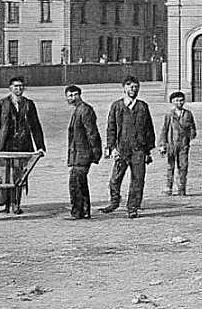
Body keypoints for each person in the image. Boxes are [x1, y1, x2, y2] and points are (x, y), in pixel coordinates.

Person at [101, 76, 155, 218]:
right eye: (130, 86)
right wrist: (111, 147)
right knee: (115, 179)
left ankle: (133, 207)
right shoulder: (116, 106)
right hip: (121, 149)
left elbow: (149, 129)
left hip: (138, 150)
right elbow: (111, 128)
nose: (133, 89)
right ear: (124, 88)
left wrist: (148, 151)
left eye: (136, 87)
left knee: (138, 180)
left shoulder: (143, 107)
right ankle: (114, 202)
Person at [0, 76, 46, 215]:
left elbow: (35, 126)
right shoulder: (2, 104)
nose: (19, 89)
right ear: (10, 88)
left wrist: (40, 146)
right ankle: (6, 205)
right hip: (4, 145)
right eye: (16, 86)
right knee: (5, 174)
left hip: (23, 145)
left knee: (20, 175)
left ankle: (16, 204)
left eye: (21, 86)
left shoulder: (29, 104)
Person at [64, 84, 102, 220]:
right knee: (77, 182)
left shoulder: (85, 110)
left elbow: (92, 133)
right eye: (70, 95)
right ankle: (81, 211)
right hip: (77, 154)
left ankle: (81, 212)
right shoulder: (78, 110)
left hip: (83, 154)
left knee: (78, 183)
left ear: (80, 95)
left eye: (75, 95)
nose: (72, 98)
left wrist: (95, 152)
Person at [158, 91, 197, 196]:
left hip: (183, 145)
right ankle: (168, 187)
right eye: (176, 100)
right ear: (172, 101)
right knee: (170, 167)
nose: (179, 103)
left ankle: (181, 188)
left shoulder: (188, 114)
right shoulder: (169, 115)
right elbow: (164, 130)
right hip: (171, 144)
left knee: (183, 166)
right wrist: (162, 145)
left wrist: (191, 134)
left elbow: (193, 128)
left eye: (181, 100)